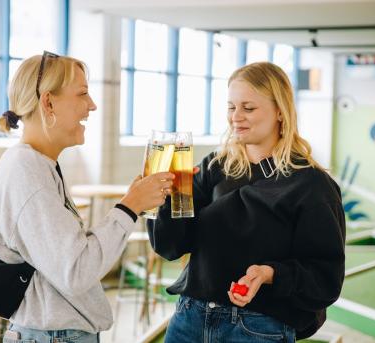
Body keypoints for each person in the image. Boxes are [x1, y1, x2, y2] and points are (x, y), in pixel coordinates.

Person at [0, 51, 174, 343]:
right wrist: (130, 206)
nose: (92, 105)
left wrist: (133, 202)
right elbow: (76, 271)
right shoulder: (26, 169)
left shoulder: (38, 164)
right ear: (48, 102)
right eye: (83, 93)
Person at [148, 62, 346, 342]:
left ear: (280, 111)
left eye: (248, 108)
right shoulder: (214, 168)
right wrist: (166, 199)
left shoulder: (311, 185)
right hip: (189, 317)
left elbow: (325, 279)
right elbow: (171, 246)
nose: (236, 117)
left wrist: (270, 274)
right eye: (231, 107)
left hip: (259, 326)